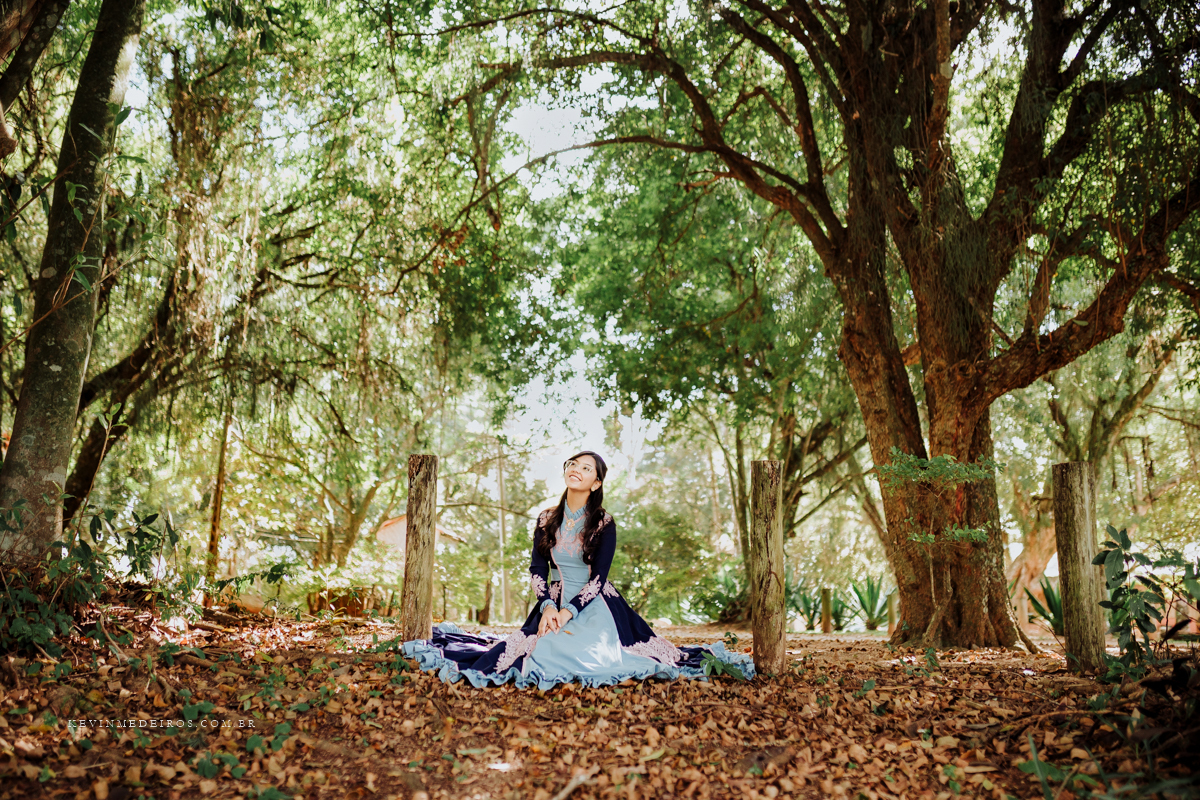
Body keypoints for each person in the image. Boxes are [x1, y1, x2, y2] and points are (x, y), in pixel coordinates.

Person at [401, 450, 754, 689]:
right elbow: (538, 568)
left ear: (596, 483)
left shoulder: (603, 522)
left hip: (595, 603)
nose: (577, 469)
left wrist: (568, 612)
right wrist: (548, 607)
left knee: (597, 661)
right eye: (574, 463)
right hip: (553, 599)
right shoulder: (545, 519)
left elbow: (599, 578)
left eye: (587, 468)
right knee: (538, 652)